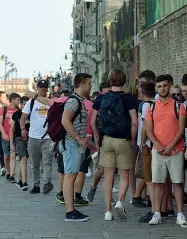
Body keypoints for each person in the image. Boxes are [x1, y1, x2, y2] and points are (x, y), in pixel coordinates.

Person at [146, 75, 187, 225]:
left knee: (178, 182)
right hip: (158, 150)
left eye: (164, 85)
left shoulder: (178, 106)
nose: (162, 89)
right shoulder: (151, 106)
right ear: (156, 88)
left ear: (169, 85)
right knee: (157, 182)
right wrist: (158, 144)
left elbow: (181, 130)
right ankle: (156, 213)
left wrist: (170, 145)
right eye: (159, 86)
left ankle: (180, 213)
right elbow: (149, 130)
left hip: (175, 150)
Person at [98, 68, 138, 221]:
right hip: (123, 140)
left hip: (107, 139)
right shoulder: (128, 98)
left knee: (108, 177)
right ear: (124, 80)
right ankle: (120, 202)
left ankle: (108, 212)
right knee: (124, 175)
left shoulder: (103, 97)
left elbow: (96, 119)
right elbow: (134, 122)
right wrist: (132, 139)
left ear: (109, 80)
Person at [61, 73, 92, 222]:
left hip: (75, 143)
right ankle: (70, 212)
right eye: (89, 83)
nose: (91, 86)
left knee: (71, 175)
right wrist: (79, 139)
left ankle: (71, 209)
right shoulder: (74, 101)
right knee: (70, 176)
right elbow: (65, 121)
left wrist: (86, 141)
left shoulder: (79, 100)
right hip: (71, 143)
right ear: (82, 84)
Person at [20, 80, 55, 194]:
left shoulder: (50, 102)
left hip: (48, 137)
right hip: (33, 137)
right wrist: (22, 129)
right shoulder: (31, 102)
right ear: (37, 88)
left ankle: (46, 184)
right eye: (41, 87)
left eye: (45, 87)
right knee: (34, 163)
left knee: (47, 162)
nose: (43, 89)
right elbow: (23, 118)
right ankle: (36, 185)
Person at [10, 96, 30, 190]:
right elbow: (11, 130)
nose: (25, 106)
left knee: (24, 160)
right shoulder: (16, 114)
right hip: (19, 138)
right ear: (21, 104)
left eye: (27, 104)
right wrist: (11, 143)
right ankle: (25, 182)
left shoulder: (31, 114)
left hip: (30, 139)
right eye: (24, 104)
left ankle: (19, 180)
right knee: (24, 158)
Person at [0, 93, 20, 182]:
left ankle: (12, 175)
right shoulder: (3, 109)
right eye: (18, 100)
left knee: (13, 155)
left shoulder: (18, 110)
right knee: (6, 156)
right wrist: (3, 134)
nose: (19, 102)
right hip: (4, 136)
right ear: (12, 100)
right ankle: (8, 172)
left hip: (14, 137)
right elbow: (0, 123)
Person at [0, 91, 8, 176]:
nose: (5, 98)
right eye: (3, 97)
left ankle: (3, 167)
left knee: (2, 150)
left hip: (3, 131)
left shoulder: (5, 107)